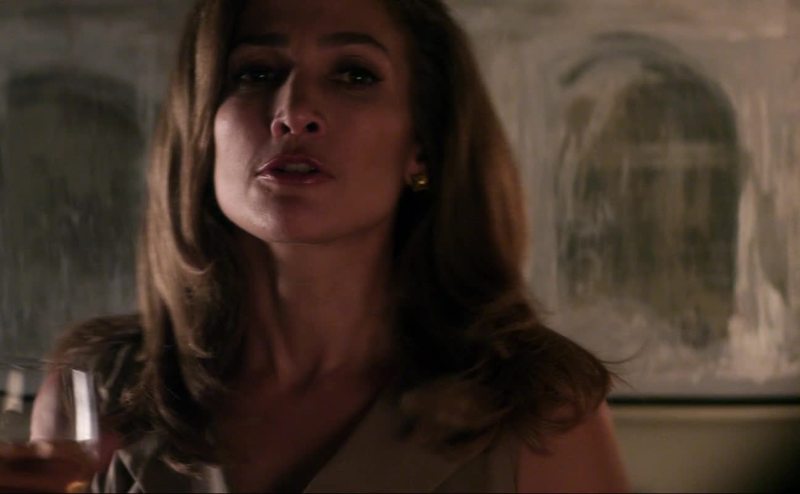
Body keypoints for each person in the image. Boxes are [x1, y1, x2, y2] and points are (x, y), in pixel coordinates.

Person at [1, 0, 630, 491]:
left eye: (354, 75)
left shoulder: (537, 408)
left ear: (422, 145)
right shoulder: (105, 389)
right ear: (202, 127)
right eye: (256, 72)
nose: (294, 111)